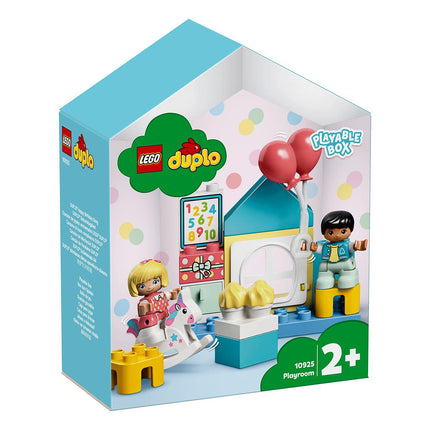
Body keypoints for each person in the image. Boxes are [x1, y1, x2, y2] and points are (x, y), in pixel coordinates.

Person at [305, 210, 367, 290]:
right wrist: (313, 247)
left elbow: (352, 247)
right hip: (327, 265)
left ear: (350, 229)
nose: (337, 235)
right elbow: (319, 248)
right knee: (323, 280)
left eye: (343, 231)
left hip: (344, 264)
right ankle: (325, 279)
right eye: (331, 232)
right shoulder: (325, 246)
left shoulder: (347, 245)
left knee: (346, 279)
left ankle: (348, 278)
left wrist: (358, 246)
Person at [128, 259, 181, 330]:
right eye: (142, 286)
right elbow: (142, 311)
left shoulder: (162, 294)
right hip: (152, 321)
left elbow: (170, 296)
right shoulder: (145, 301)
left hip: (165, 317)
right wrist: (144, 308)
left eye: (155, 282)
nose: (150, 287)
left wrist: (174, 293)